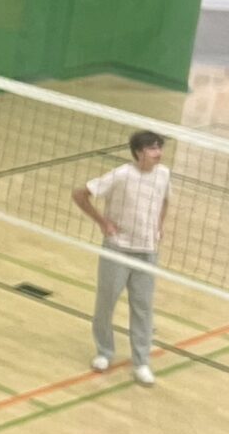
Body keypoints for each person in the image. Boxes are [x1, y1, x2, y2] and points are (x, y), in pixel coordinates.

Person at [72, 130, 168, 386]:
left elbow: (164, 201)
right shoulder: (121, 175)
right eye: (152, 148)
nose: (158, 153)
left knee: (143, 307)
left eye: (159, 147)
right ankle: (104, 352)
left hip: (147, 252)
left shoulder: (163, 174)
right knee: (106, 303)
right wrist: (102, 222)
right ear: (139, 152)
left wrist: (159, 227)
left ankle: (142, 362)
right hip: (118, 249)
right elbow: (80, 194)